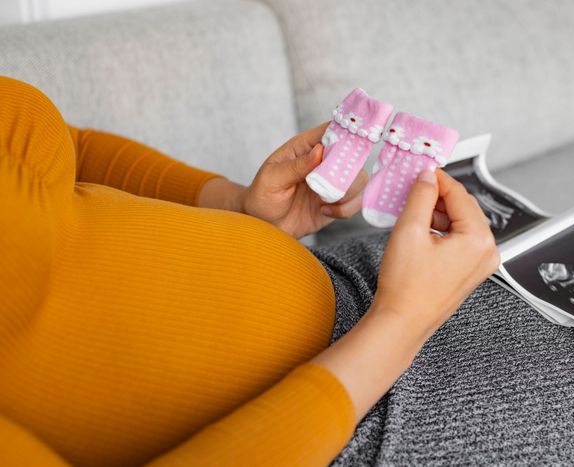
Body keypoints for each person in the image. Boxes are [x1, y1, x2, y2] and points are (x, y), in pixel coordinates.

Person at [0, 76, 499, 466]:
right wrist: (402, 322)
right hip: (341, 426)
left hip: (357, 292)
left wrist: (236, 205)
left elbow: (68, 148)